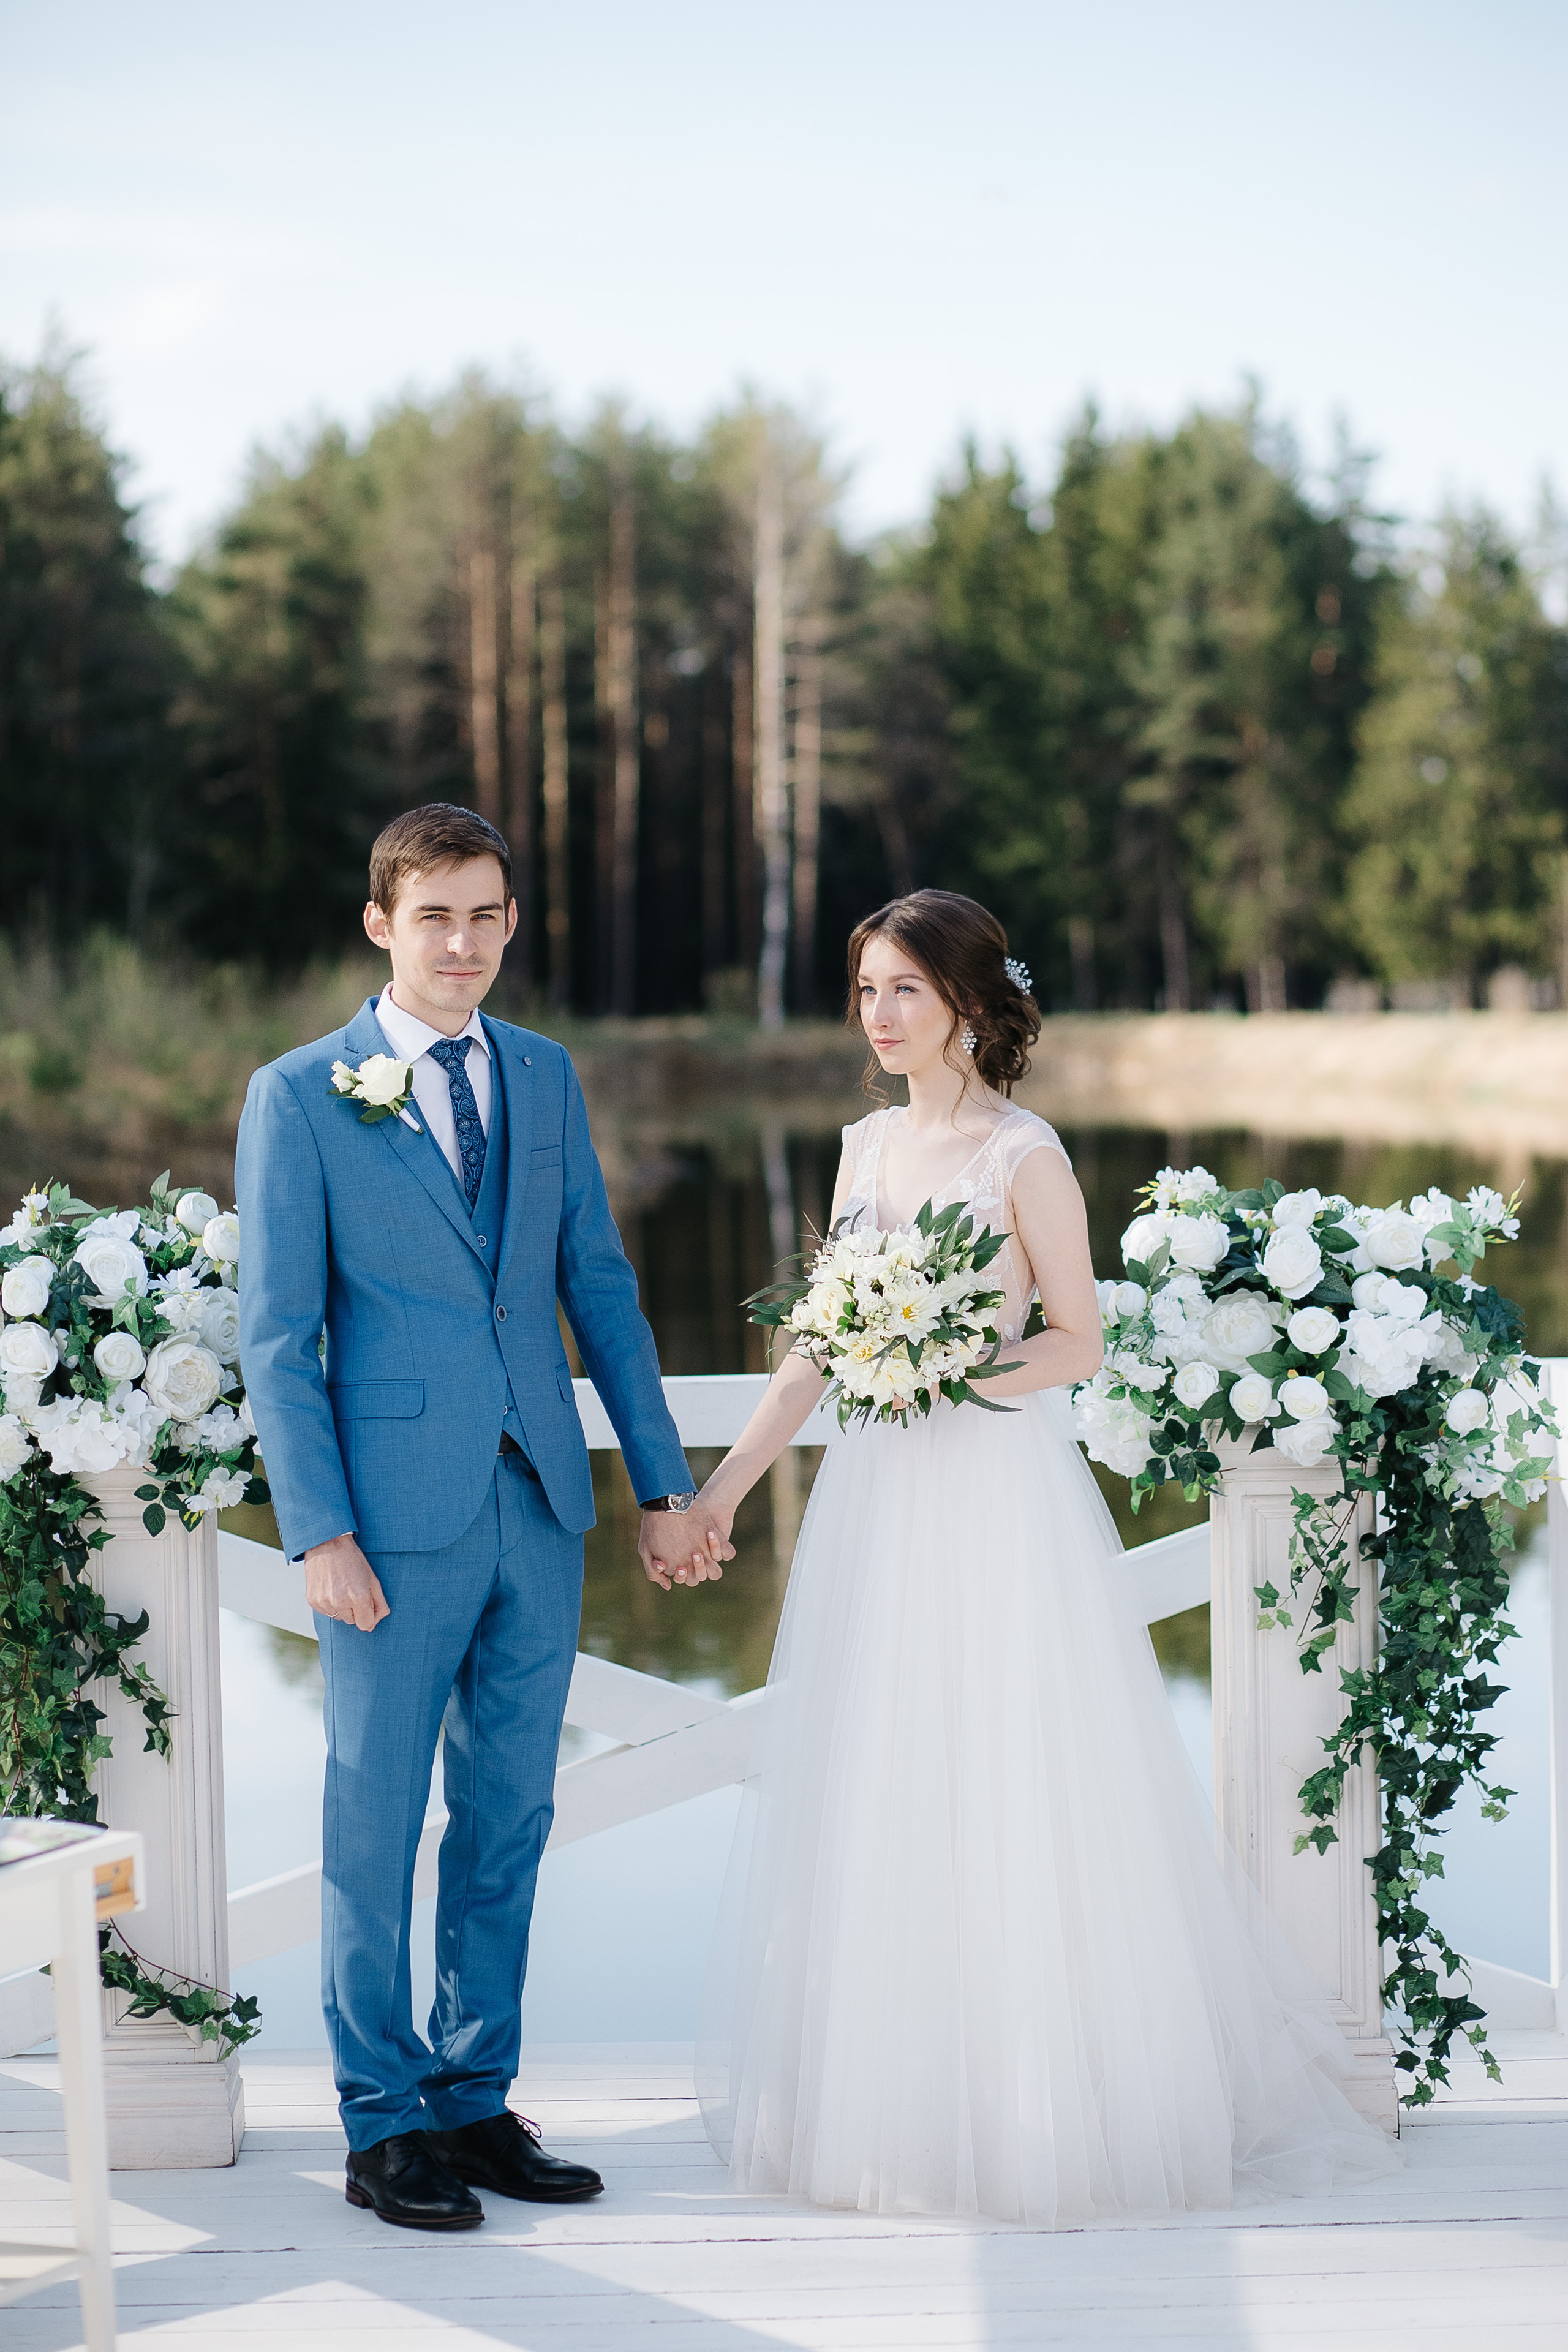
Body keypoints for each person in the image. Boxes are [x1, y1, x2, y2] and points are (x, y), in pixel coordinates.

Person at [693, 888, 1400, 2225]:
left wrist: (948, 1362)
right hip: (879, 1506)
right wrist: (723, 1491)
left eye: (903, 988)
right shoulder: (857, 1151)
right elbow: (809, 1351)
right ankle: (893, 2116)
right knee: (883, 1783)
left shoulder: (1024, 1154)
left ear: (969, 1000)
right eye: (864, 991)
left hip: (996, 1498)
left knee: (1017, 1782)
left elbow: (1075, 1339)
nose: (880, 1016)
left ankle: (1046, 2119)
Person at [236, 802, 730, 2232]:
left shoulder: (545, 1076)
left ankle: (471, 2097)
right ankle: (379, 2122)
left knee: (508, 1817)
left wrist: (658, 1482)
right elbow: (277, 1339)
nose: (463, 941)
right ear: (381, 924)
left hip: (536, 1504)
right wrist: (316, 1528)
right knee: (371, 1824)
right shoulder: (299, 1094)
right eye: (435, 914)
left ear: (512, 925)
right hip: (384, 1526)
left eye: (488, 915)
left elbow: (601, 1289)